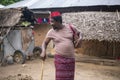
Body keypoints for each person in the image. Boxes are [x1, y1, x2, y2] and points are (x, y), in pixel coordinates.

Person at [40, 11, 82, 80]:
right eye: (50, 21)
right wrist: (43, 51)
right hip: (60, 60)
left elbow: (80, 33)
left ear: (58, 21)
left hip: (71, 60)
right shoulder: (51, 32)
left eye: (52, 21)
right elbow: (44, 43)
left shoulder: (70, 27)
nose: (51, 24)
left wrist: (80, 38)